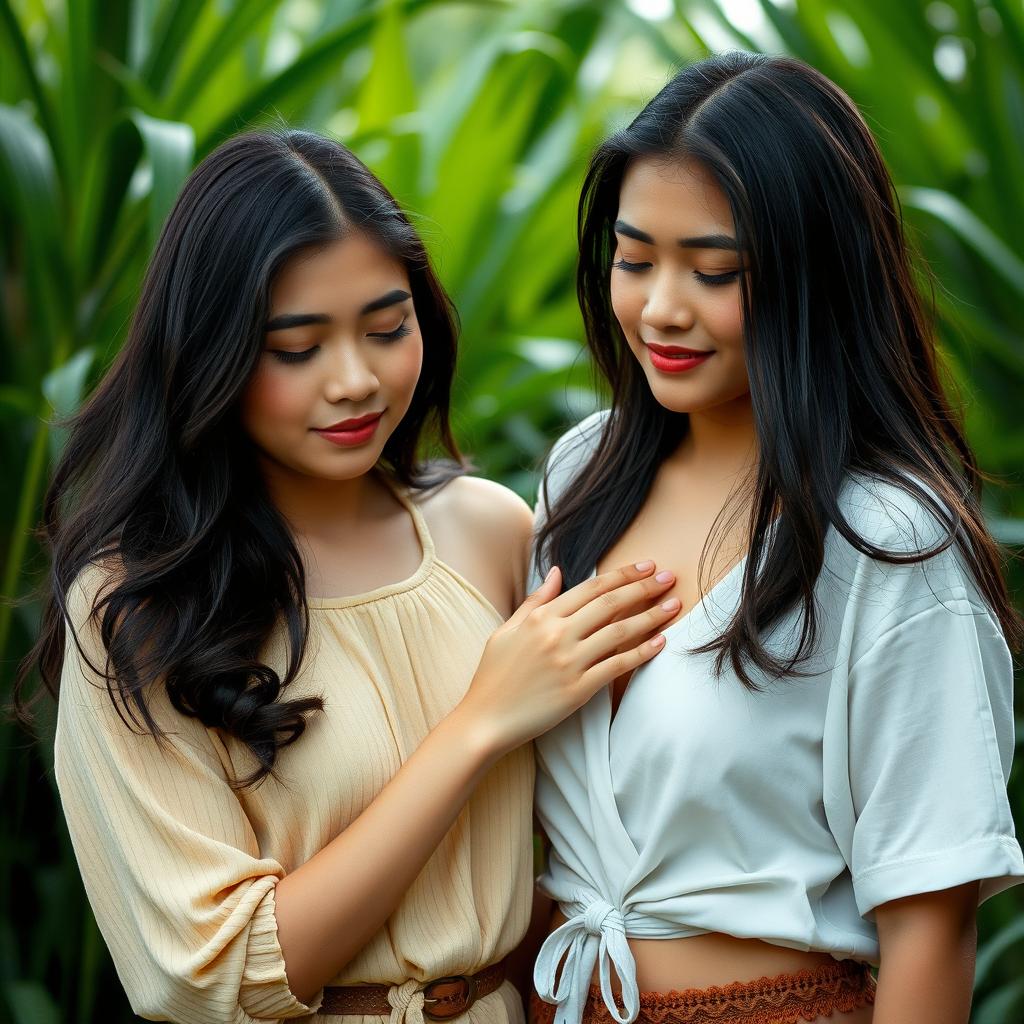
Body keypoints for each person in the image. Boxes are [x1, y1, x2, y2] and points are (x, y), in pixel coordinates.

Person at [15, 129, 684, 1024]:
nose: (356, 381)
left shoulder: (489, 531)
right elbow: (210, 976)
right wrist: (479, 723)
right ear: (210, 355)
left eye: (386, 327)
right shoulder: (137, 604)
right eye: (297, 349)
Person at [529, 53, 1024, 1024]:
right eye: (634, 259)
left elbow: (931, 925)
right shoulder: (578, 474)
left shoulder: (887, 541)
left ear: (815, 278)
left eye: (714, 272)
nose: (661, 307)